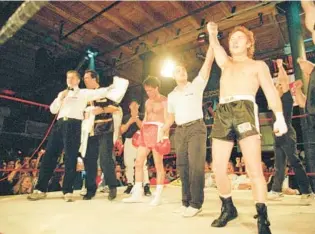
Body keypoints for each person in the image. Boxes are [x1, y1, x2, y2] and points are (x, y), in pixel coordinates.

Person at [207, 22, 287, 234]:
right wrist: (213, 34)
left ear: (249, 43)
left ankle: (262, 217)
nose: (234, 40)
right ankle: (228, 207)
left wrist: (279, 116)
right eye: (232, 38)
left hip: (245, 109)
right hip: (223, 112)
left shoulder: (258, 65)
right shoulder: (226, 63)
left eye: (239, 38)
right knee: (217, 168)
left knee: (253, 169)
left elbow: (270, 91)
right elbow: (216, 48)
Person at [27, 70, 128, 202]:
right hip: (63, 124)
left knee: (74, 157)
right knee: (50, 155)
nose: (69, 80)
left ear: (78, 80)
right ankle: (40, 189)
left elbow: (104, 93)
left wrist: (116, 85)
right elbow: (53, 109)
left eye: (73, 78)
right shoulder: (62, 93)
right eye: (68, 78)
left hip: (83, 126)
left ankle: (69, 190)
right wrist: (60, 98)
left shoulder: (84, 93)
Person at [162, 22, 214, 217]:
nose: (181, 72)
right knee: (182, 166)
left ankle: (196, 203)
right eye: (177, 71)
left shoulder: (196, 85)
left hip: (196, 128)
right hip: (180, 130)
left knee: (195, 165)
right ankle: (185, 202)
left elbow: (207, 65)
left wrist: (212, 41)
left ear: (186, 74)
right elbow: (171, 116)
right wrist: (164, 129)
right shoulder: (172, 95)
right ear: (174, 76)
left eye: (183, 70)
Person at [268, 59, 313, 203]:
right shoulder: (274, 103)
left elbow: (284, 81)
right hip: (278, 136)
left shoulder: (286, 99)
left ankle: (307, 191)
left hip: (287, 133)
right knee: (279, 164)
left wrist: (281, 67)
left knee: (294, 161)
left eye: (279, 86)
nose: (278, 86)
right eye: (277, 86)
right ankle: (276, 189)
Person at [122, 76, 167, 206]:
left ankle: (158, 195)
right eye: (147, 90)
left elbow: (168, 119)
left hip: (158, 130)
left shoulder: (165, 101)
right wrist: (140, 132)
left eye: (151, 90)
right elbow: (146, 119)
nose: (148, 93)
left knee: (159, 164)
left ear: (157, 88)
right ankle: (137, 193)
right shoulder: (147, 102)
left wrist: (165, 136)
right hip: (147, 131)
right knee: (138, 162)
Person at [81, 69, 121, 200]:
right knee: (89, 160)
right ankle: (90, 189)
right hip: (90, 131)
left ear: (94, 79)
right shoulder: (85, 95)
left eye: (87, 78)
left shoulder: (105, 92)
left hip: (105, 128)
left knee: (105, 158)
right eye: (84, 78)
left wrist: (102, 109)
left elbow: (116, 108)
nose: (85, 80)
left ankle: (112, 187)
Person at [120, 100, 151, 196]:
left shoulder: (143, 116)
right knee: (128, 164)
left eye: (135, 104)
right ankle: (130, 184)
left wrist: (136, 119)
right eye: (131, 104)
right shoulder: (125, 117)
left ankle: (146, 185)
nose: (133, 106)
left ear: (138, 105)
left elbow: (145, 128)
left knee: (143, 164)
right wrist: (130, 121)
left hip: (141, 141)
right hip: (129, 140)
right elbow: (121, 130)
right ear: (129, 106)